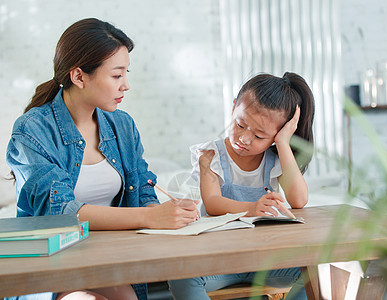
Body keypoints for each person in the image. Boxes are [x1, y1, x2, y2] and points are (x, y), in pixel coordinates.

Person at [6, 18, 199, 300]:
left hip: (108, 259)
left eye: (126, 74)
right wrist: (148, 215)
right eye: (116, 75)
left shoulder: (122, 125)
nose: (126, 85)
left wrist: (171, 213)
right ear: (79, 76)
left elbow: (143, 188)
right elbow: (59, 211)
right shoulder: (32, 129)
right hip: (51, 264)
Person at [168, 72, 315, 299]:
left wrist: (284, 143)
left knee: (314, 270)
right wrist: (252, 208)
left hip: (265, 260)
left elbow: (299, 200)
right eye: (240, 124)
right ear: (234, 106)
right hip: (220, 262)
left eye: (259, 136)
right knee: (180, 275)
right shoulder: (210, 154)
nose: (244, 139)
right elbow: (213, 203)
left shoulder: (274, 159)